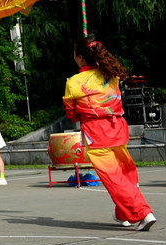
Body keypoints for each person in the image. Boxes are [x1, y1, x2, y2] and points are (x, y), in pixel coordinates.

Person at [64, 36, 155, 230]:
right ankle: (125, 214)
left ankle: (143, 212)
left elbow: (71, 114)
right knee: (126, 171)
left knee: (114, 177)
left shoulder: (74, 82)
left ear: (80, 57)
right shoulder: (110, 75)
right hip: (117, 128)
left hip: (96, 132)